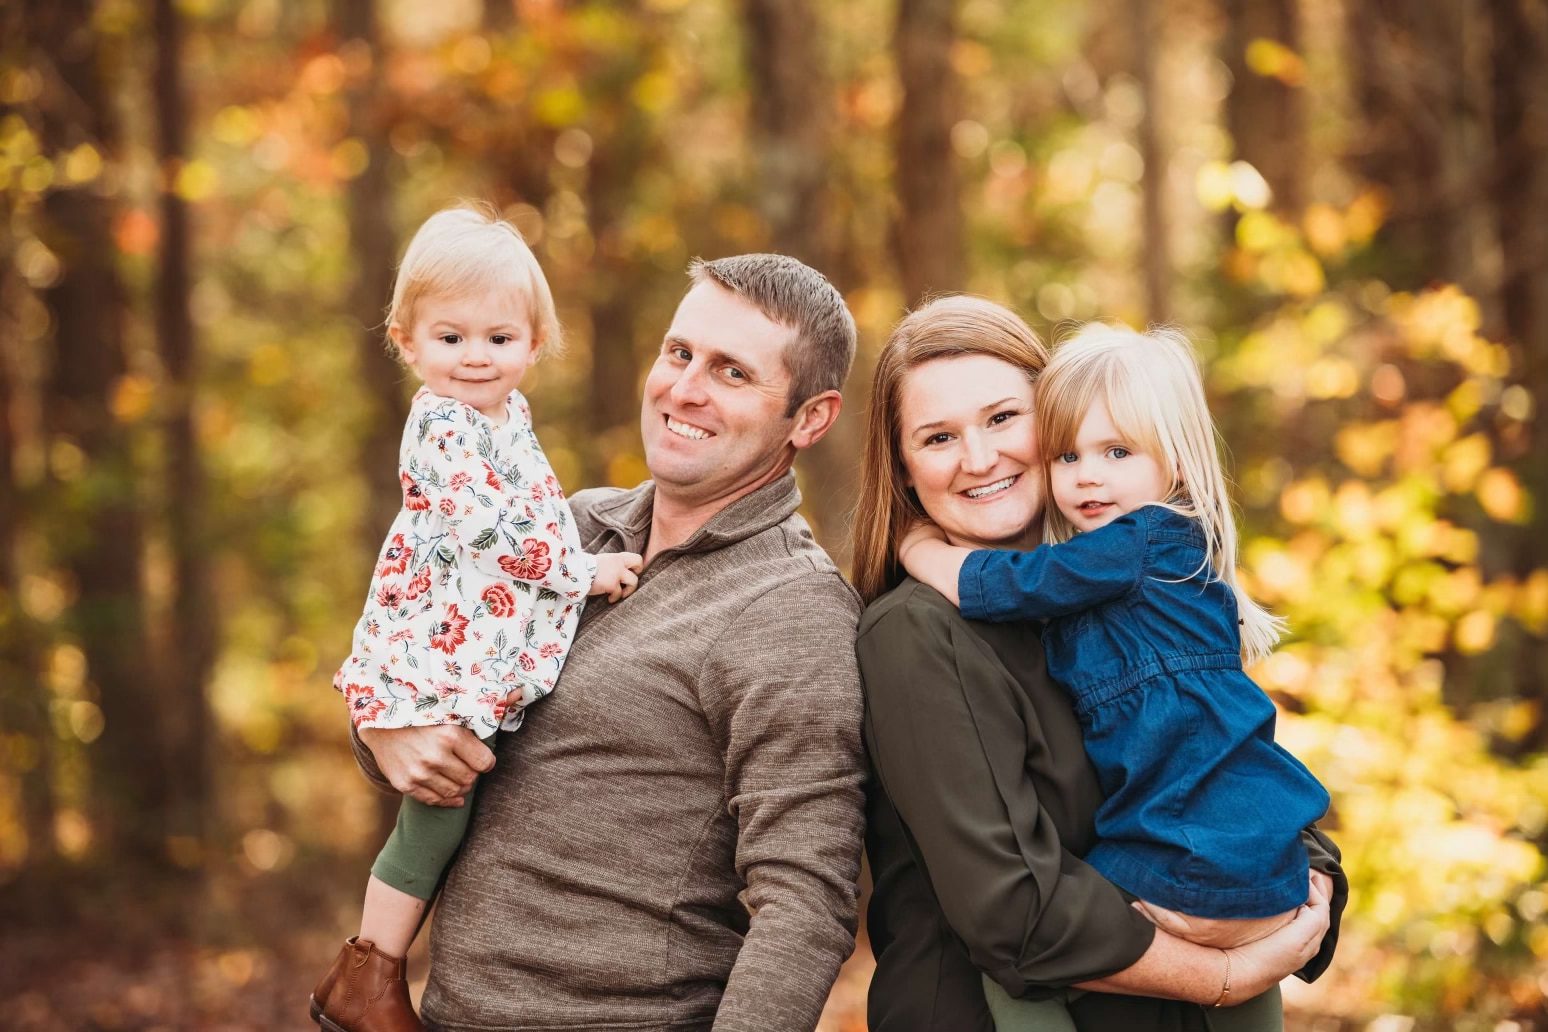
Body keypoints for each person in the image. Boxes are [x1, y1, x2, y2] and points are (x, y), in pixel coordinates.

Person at [343, 253, 868, 1032]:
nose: (684, 388)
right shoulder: (571, 526)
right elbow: (430, 658)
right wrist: (380, 733)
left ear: (810, 417)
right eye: (680, 353)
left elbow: (805, 902)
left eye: (731, 373)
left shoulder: (791, 611)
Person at [851, 296, 1348, 1032]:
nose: (980, 458)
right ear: (902, 466)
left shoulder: (1107, 599)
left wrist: (1314, 885)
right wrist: (1227, 972)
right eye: (937, 437)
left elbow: (1220, 760)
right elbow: (1015, 911)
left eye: (1001, 419)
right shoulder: (918, 635)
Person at [310, 206, 644, 1032]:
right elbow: (489, 533)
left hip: (476, 641)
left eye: (499, 338)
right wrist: (581, 571)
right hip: (436, 645)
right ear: (406, 341)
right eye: (450, 337)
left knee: (459, 800)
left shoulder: (509, 417)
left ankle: (380, 967)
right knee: (441, 804)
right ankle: (368, 971)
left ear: (534, 345)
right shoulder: (443, 425)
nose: (474, 358)